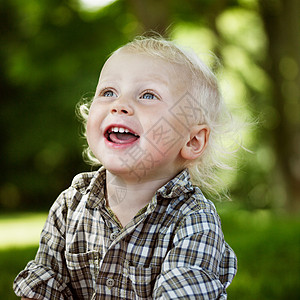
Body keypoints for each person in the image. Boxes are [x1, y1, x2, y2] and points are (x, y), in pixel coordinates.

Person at [14, 36, 238, 299]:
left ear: (192, 140)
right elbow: (44, 287)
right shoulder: (69, 206)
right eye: (108, 92)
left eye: (147, 95)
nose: (119, 105)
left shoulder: (193, 220)